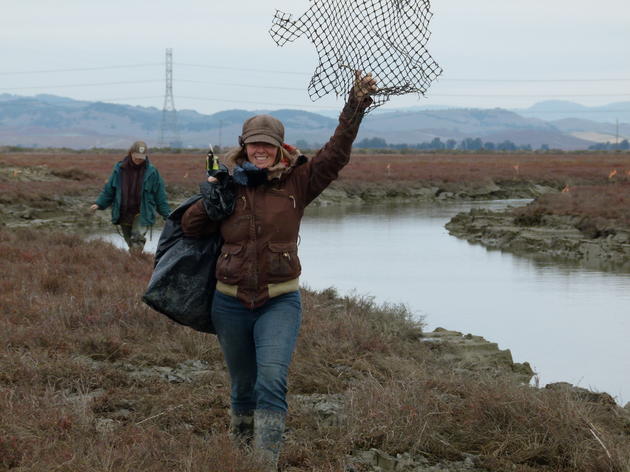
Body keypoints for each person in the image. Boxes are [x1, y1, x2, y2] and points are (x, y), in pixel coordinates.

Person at [181, 72, 377, 469]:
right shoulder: (227, 184)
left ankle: (264, 463)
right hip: (229, 303)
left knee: (271, 380)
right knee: (243, 387)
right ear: (244, 146)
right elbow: (189, 227)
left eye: (267, 145)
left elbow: (335, 154)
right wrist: (210, 200)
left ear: (279, 148)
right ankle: (240, 454)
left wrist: (355, 106)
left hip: (279, 301)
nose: (260, 151)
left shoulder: (299, 182)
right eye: (254, 144)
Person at [90, 141, 171, 253]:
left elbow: (160, 196)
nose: (139, 160)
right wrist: (99, 204)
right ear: (131, 153)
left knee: (137, 239)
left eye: (141, 157)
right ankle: (136, 264)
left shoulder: (152, 172)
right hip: (124, 212)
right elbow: (109, 190)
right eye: (136, 156)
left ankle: (136, 263)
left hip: (143, 212)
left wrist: (168, 215)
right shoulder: (119, 169)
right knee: (131, 243)